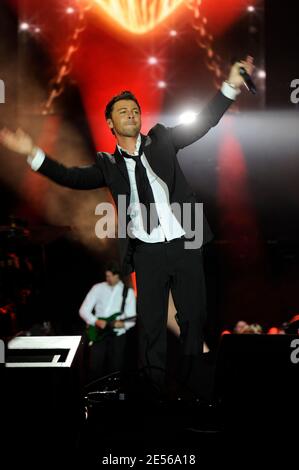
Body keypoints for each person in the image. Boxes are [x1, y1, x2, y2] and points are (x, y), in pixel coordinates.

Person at [0, 56, 254, 398]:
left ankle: (200, 395)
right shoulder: (107, 165)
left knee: (193, 322)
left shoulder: (163, 138)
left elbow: (204, 122)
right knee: (151, 330)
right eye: (123, 111)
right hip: (147, 253)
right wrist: (32, 152)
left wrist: (230, 86)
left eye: (134, 110)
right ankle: (155, 399)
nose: (132, 114)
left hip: (183, 243)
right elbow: (70, 177)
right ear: (109, 123)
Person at [79, 262, 136, 382]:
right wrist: (95, 321)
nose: (107, 279)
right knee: (94, 368)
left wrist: (123, 324)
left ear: (117, 276)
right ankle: (93, 395)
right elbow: (83, 310)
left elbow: (132, 318)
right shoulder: (97, 288)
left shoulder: (128, 293)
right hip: (98, 333)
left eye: (110, 276)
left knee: (116, 370)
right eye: (106, 276)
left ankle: (113, 396)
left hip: (118, 335)